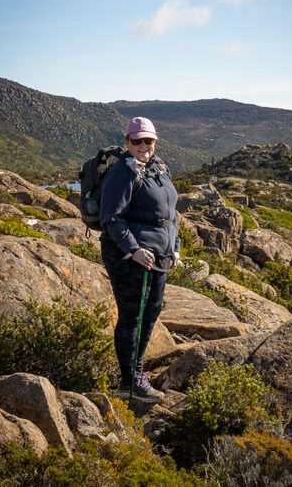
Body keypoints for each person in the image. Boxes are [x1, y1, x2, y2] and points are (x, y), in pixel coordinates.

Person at [99, 116, 180, 403]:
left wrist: (176, 246)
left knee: (150, 316)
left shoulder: (159, 169)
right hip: (130, 258)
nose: (144, 145)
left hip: (160, 257)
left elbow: (171, 215)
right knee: (133, 317)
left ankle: (134, 377)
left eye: (149, 140)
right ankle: (130, 381)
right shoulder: (122, 172)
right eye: (138, 140)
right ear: (127, 142)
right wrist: (133, 249)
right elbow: (111, 217)